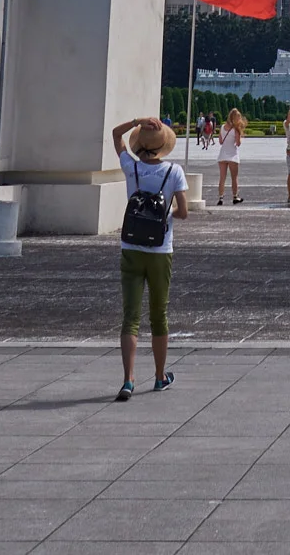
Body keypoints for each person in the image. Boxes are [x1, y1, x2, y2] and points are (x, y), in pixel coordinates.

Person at [111, 114, 188, 400]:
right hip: (160, 249)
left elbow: (115, 135)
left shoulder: (131, 166)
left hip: (131, 247)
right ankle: (158, 376)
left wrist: (137, 121)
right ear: (164, 144)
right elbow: (183, 212)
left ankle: (128, 379)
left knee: (130, 317)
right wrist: (165, 216)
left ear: (140, 143)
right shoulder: (174, 172)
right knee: (159, 315)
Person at [216, 109, 246, 204]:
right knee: (234, 177)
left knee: (222, 178)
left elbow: (220, 142)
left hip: (222, 155)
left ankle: (221, 198)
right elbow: (238, 143)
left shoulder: (222, 127)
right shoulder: (235, 129)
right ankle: (235, 196)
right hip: (232, 155)